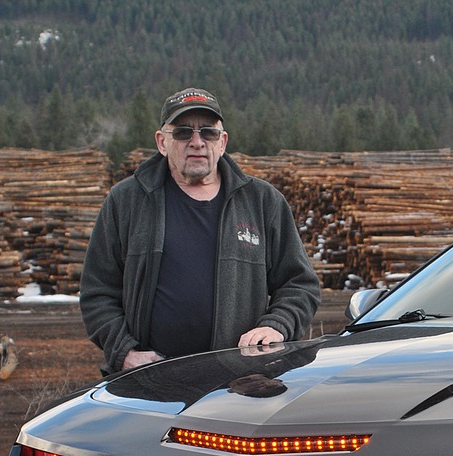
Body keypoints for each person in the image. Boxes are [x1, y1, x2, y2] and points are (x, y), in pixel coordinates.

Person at [80, 87, 320, 375]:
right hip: (147, 382)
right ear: (161, 142)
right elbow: (97, 292)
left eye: (208, 133)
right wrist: (124, 352)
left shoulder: (262, 202)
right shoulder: (127, 201)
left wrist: (275, 326)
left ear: (222, 142)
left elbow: (300, 285)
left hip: (239, 382)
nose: (197, 142)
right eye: (183, 132)